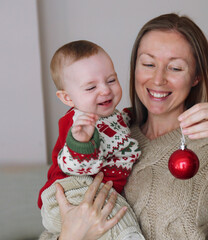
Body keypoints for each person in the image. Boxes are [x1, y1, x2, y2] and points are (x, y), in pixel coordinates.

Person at [39, 14, 208, 240]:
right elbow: (54, 221)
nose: (158, 79)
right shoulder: (103, 135)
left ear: (196, 77)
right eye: (149, 64)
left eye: (175, 68)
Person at [38, 40, 144, 240]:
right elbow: (73, 165)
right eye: (91, 87)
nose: (105, 90)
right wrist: (82, 141)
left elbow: (123, 122)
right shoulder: (77, 124)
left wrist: (141, 112)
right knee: (120, 218)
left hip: (90, 192)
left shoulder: (113, 116)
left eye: (111, 80)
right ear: (67, 98)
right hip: (71, 192)